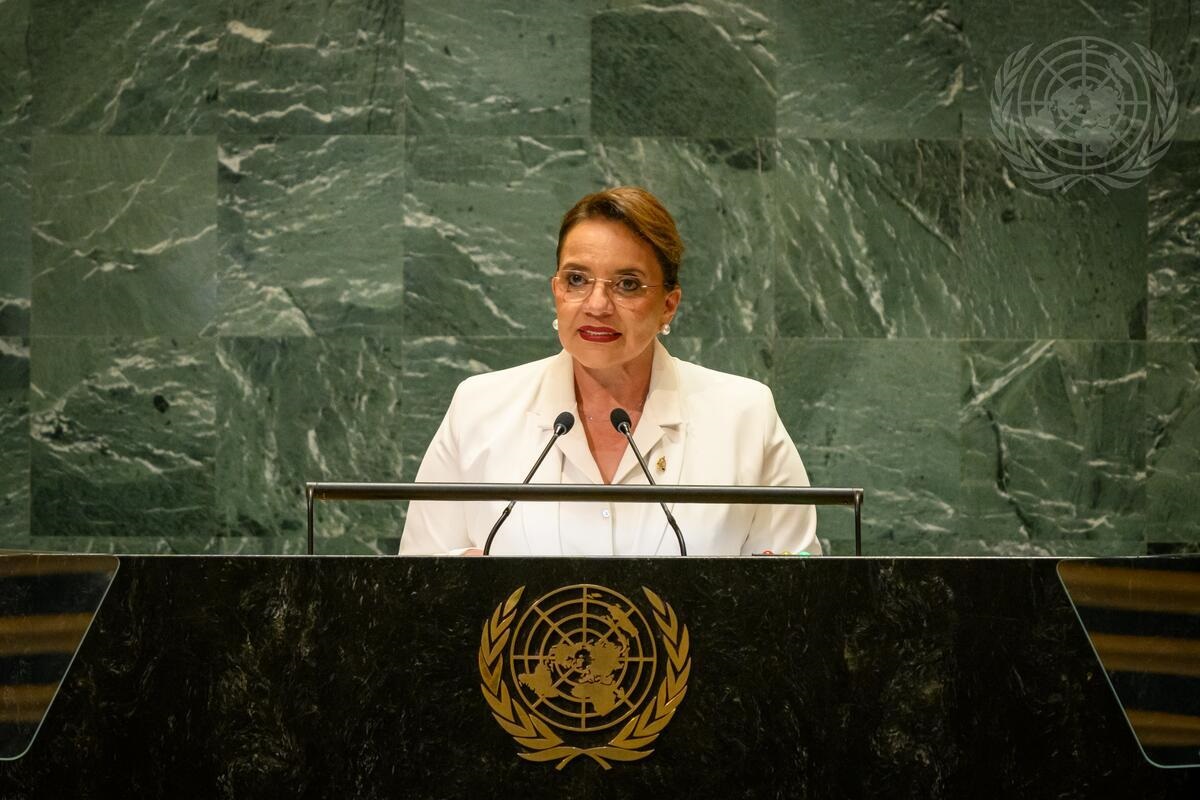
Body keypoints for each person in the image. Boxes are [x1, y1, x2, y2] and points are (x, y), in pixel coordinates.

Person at [399, 186, 820, 556]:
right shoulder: (478, 409)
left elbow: (798, 587)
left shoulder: (744, 416)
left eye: (628, 284)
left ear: (668, 305)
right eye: (577, 279)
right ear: (556, 290)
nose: (597, 305)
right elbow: (414, 580)